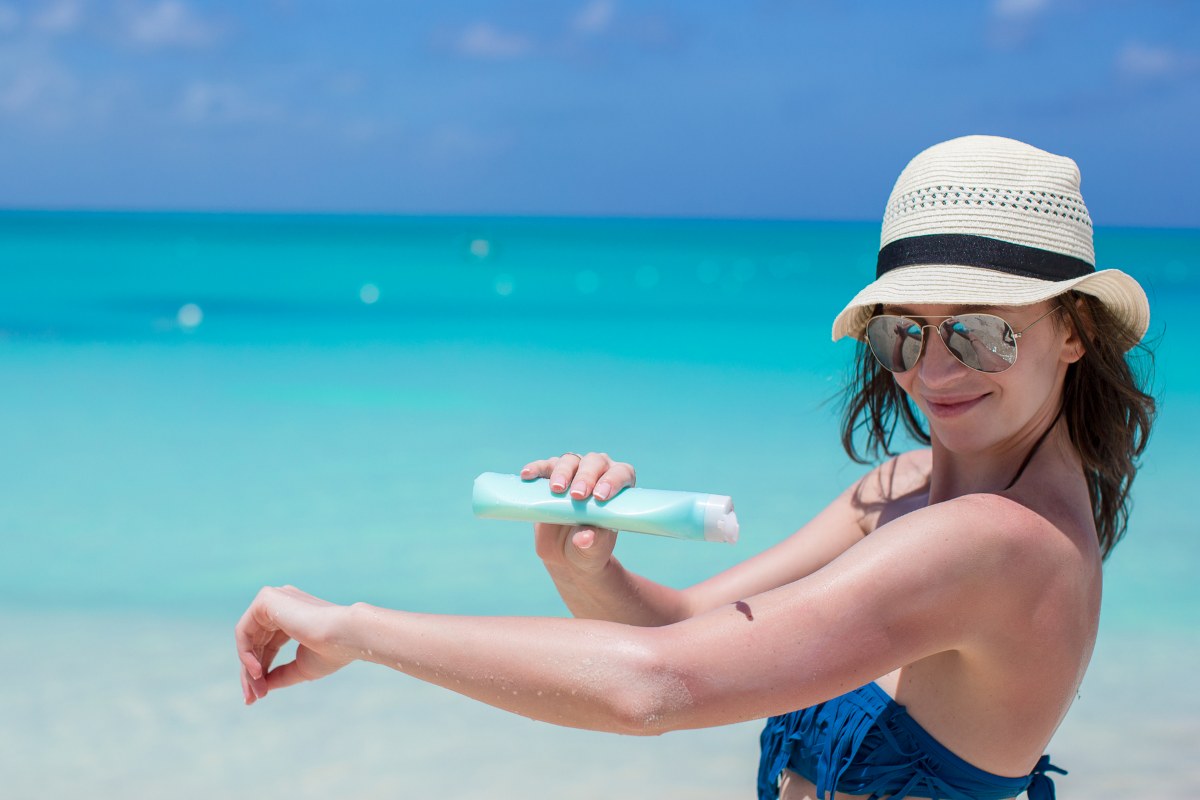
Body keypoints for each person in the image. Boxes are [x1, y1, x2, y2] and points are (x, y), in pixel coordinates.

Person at [235, 136, 1155, 800]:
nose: (933, 369)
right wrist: (581, 562)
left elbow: (654, 688)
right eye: (904, 331)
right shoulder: (903, 490)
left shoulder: (997, 545)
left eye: (983, 330)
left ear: (1074, 331)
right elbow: (678, 628)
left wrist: (356, 629)